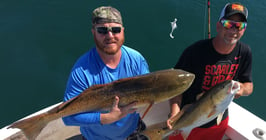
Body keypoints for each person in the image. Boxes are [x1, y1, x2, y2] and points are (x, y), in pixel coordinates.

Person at [167, 2, 253, 140]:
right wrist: (174, 114)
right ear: (218, 25)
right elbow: (176, 87)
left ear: (244, 30)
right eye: (228, 24)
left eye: (239, 26)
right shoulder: (194, 52)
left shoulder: (245, 52)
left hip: (218, 123)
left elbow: (249, 86)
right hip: (187, 118)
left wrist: (241, 89)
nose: (233, 30)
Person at [62, 6, 149, 140]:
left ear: (123, 31)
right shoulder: (81, 71)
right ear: (93, 32)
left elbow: (149, 91)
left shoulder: (137, 60)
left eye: (115, 30)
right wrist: (106, 118)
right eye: (102, 30)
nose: (110, 36)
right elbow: (67, 117)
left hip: (131, 132)